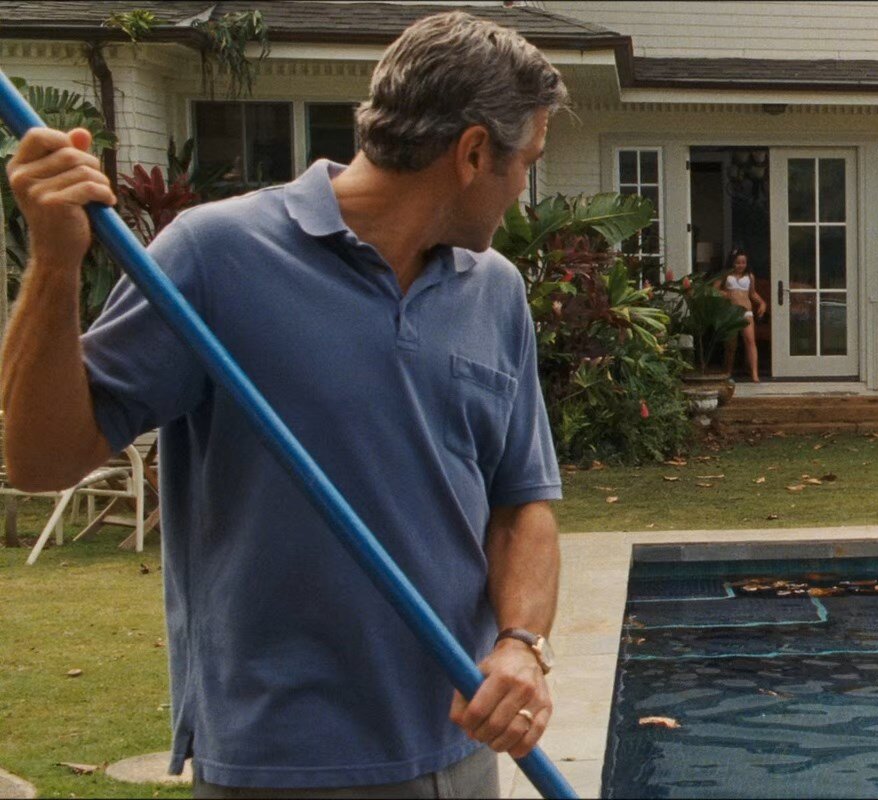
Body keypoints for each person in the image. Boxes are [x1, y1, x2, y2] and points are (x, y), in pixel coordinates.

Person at [2, 11, 566, 797]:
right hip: (282, 763)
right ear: (474, 153)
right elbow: (40, 460)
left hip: (460, 747)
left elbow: (521, 503)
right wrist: (57, 264)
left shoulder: (494, 292)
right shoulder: (214, 256)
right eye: (526, 163)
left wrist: (521, 644)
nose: (524, 191)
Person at [715, 249, 767, 382]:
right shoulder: (726, 275)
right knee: (731, 344)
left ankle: (754, 373)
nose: (740, 265)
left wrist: (761, 302)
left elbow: (752, 293)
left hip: (746, 311)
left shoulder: (750, 276)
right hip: (731, 311)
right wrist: (725, 293)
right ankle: (727, 371)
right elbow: (714, 289)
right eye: (738, 262)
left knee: (750, 341)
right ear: (732, 262)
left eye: (743, 262)